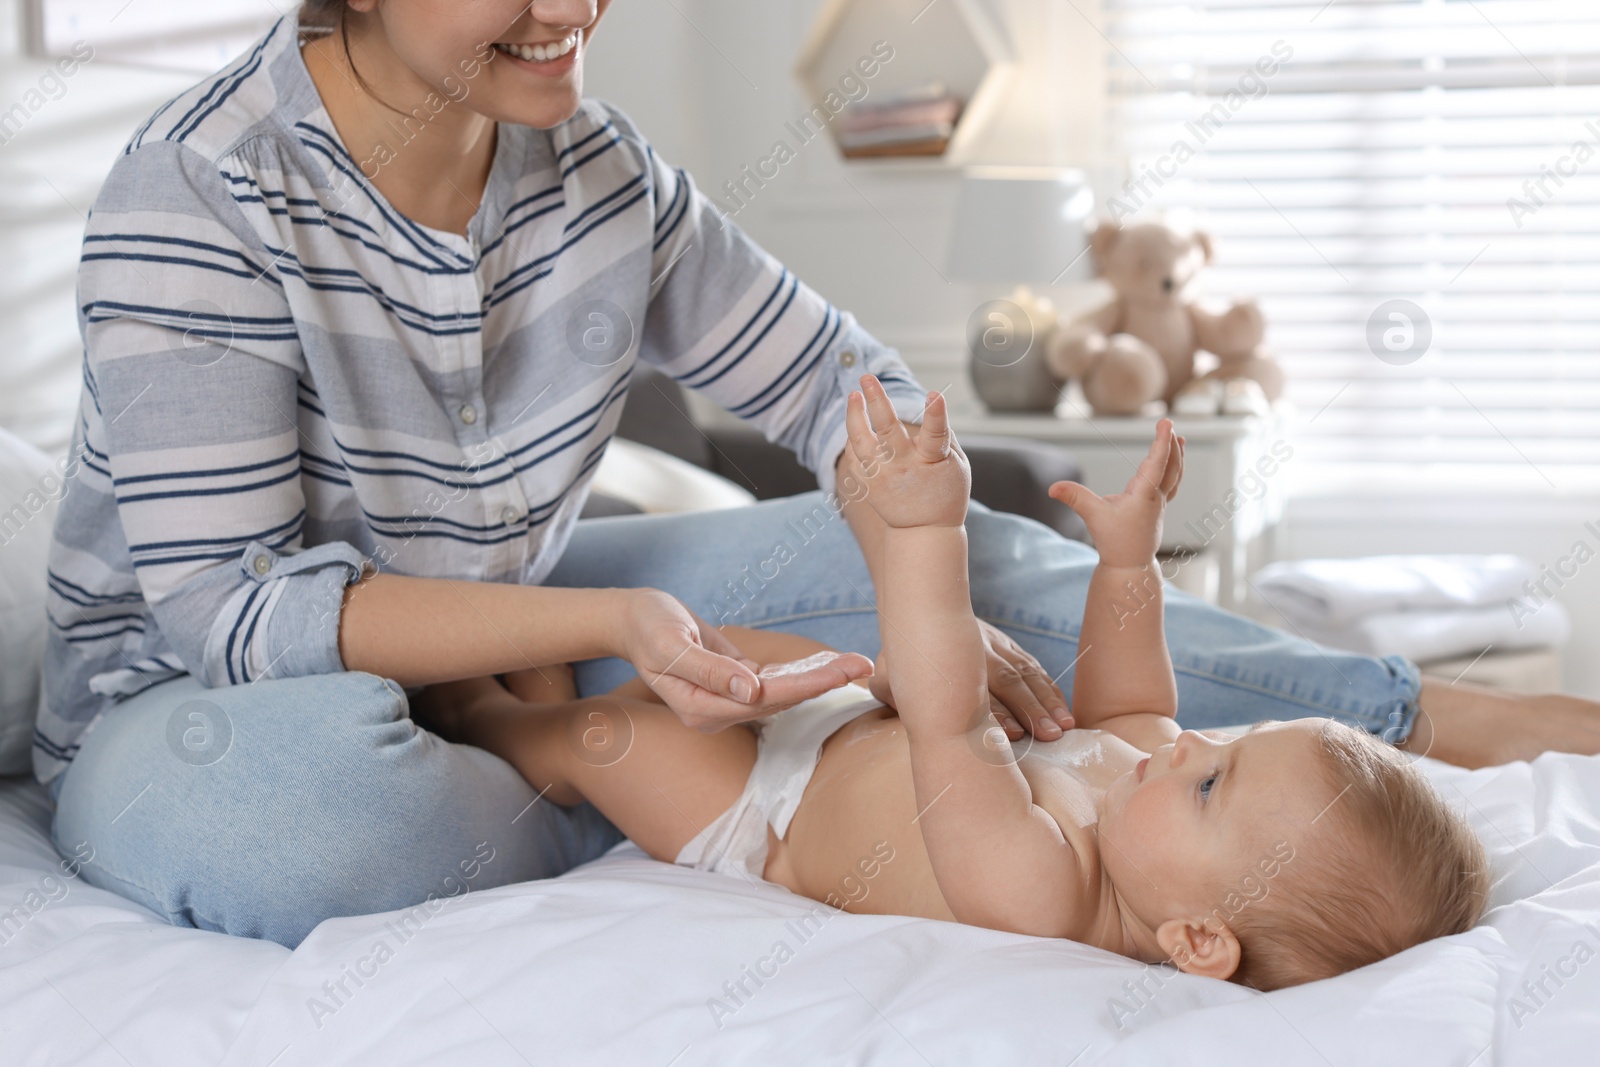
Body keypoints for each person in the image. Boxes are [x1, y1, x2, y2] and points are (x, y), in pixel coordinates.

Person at [39, 0, 1598, 949]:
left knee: (970, 552)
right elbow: (239, 618)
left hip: (535, 616)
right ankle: (637, 770)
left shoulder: (598, 175)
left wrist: (910, 517)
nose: (569, 9)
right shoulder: (200, 189)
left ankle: (1409, 713)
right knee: (288, 830)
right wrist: (652, 643)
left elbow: (851, 387)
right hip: (217, 693)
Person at [414, 378, 1490, 991]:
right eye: (1230, 743)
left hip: (769, 811)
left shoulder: (1043, 889)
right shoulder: (1139, 775)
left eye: (1212, 785)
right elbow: (1128, 699)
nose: (1191, 745)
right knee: (701, 642)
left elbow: (950, 719)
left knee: (607, 738)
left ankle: (500, 716)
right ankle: (545, 665)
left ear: (1196, 939)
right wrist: (1125, 563)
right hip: (833, 713)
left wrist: (926, 535)